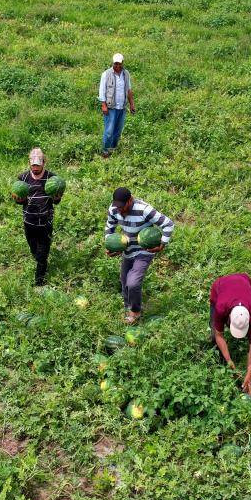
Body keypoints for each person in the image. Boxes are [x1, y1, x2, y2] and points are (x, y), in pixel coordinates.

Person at [104, 187, 174, 324]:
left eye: (122, 207)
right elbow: (109, 227)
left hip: (144, 251)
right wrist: (111, 244)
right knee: (124, 281)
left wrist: (162, 244)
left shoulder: (144, 209)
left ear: (130, 200)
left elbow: (168, 224)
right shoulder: (114, 209)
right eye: (117, 207)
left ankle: (135, 312)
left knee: (133, 283)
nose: (120, 210)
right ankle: (128, 308)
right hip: (127, 249)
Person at [209, 273, 251, 396]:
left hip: (243, 280)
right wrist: (229, 361)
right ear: (228, 317)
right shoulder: (221, 307)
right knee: (215, 334)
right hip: (221, 286)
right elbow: (220, 335)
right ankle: (222, 361)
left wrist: (249, 375)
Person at [12, 148, 62, 287]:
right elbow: (19, 201)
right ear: (29, 163)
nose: (35, 168)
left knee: (42, 255)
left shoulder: (52, 179)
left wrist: (57, 197)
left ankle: (39, 283)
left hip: (46, 222)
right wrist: (18, 199)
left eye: (38, 165)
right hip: (29, 221)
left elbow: (56, 201)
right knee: (34, 249)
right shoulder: (22, 178)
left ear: (44, 163)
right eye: (33, 165)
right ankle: (39, 258)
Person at [98, 53, 135, 158]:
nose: (117, 66)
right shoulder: (106, 74)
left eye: (119, 64)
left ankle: (112, 149)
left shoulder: (126, 74)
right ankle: (105, 152)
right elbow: (102, 91)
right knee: (109, 131)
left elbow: (129, 90)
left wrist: (132, 104)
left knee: (118, 131)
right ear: (113, 63)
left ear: (123, 63)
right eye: (115, 64)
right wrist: (103, 105)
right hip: (111, 108)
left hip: (122, 107)